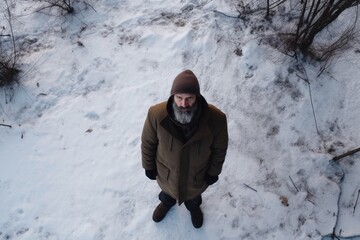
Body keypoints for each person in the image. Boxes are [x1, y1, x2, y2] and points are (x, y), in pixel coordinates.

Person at [141, 69, 228, 228]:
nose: (184, 104)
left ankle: (194, 208)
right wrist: (148, 166)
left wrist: (213, 172)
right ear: (172, 96)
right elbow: (148, 142)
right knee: (167, 193)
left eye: (189, 98)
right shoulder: (156, 114)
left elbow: (219, 149)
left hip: (196, 177)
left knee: (193, 198)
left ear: (198, 97)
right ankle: (166, 203)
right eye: (179, 98)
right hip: (167, 175)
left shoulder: (217, 119)